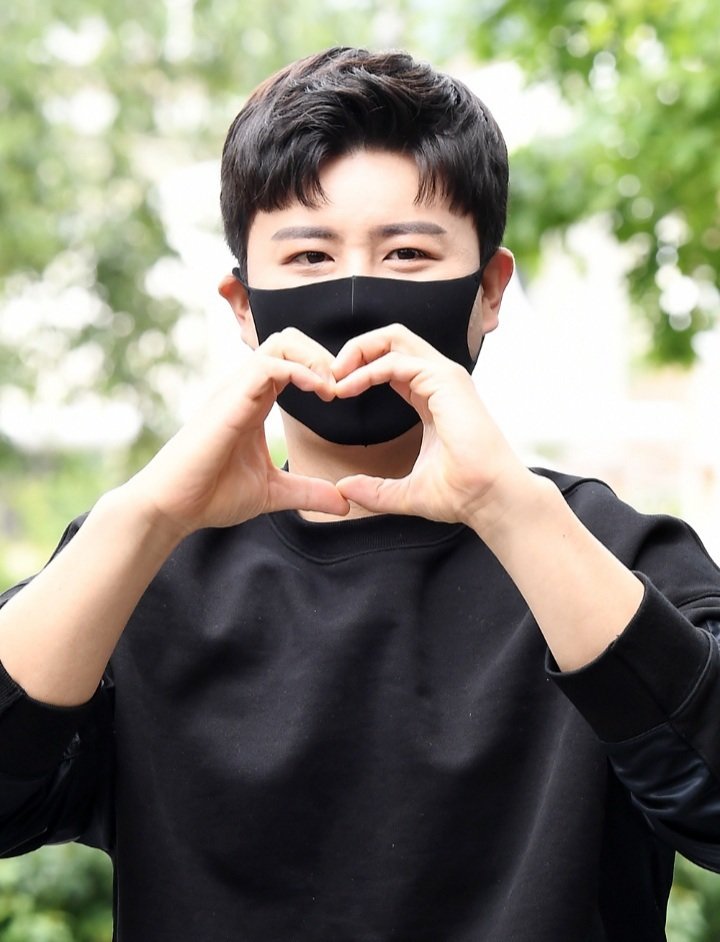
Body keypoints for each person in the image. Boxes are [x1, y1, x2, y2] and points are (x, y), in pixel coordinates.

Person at [1, 46, 720, 942]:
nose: (355, 293)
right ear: (242, 303)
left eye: (408, 253)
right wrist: (146, 515)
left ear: (489, 291)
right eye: (308, 254)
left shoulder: (614, 554)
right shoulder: (141, 565)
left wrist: (511, 510)